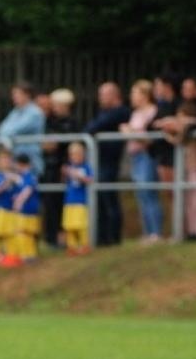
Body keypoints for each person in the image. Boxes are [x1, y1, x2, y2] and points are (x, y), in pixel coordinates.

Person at [83, 81, 131, 246]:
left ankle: (113, 237)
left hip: (109, 161)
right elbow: (90, 127)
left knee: (109, 198)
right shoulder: (104, 112)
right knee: (99, 200)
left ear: (114, 95)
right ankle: (101, 237)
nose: (100, 98)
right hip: (99, 160)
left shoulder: (120, 112)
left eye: (104, 94)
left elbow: (94, 127)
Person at [163, 101, 196, 238]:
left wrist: (171, 133)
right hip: (187, 167)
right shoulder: (185, 127)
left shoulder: (192, 124)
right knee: (188, 201)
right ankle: (190, 230)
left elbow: (180, 138)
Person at [126, 80, 163, 243]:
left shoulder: (153, 112)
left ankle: (156, 232)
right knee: (141, 194)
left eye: (135, 93)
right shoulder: (136, 113)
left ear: (145, 95)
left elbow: (150, 138)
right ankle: (147, 231)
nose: (132, 96)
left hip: (146, 156)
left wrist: (130, 132)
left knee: (149, 192)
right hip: (135, 156)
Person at [41, 87, 77, 248]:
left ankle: (62, 238)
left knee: (61, 204)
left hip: (62, 168)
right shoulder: (49, 121)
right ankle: (49, 237)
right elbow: (46, 144)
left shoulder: (72, 123)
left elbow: (56, 144)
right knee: (49, 203)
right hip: (49, 167)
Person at [0, 81, 45, 173]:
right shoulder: (15, 111)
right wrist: (5, 135)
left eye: (17, 94)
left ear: (27, 95)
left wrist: (6, 136)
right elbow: (1, 129)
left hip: (30, 159)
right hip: (15, 158)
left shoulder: (35, 113)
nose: (14, 97)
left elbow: (13, 130)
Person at [5, 153, 42, 264]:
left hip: (27, 210)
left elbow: (27, 190)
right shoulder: (23, 177)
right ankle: (26, 254)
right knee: (24, 232)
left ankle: (28, 254)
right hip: (26, 210)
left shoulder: (29, 176)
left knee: (24, 232)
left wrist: (18, 202)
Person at [59, 141, 92, 254]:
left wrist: (78, 176)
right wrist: (64, 173)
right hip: (69, 201)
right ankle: (72, 246)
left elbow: (89, 180)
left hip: (80, 201)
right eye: (73, 154)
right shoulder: (69, 167)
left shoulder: (85, 167)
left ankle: (84, 245)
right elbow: (63, 181)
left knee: (81, 225)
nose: (75, 157)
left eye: (78, 154)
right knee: (69, 225)